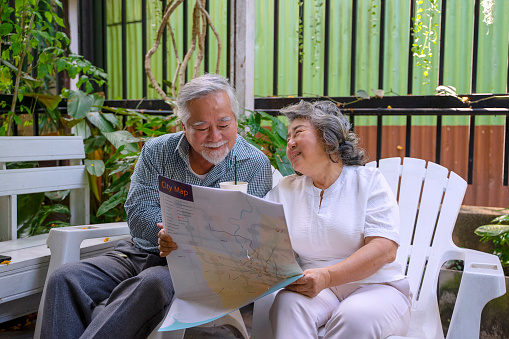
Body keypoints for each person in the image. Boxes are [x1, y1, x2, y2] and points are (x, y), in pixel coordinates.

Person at [39, 74, 273, 339]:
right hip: (140, 254)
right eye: (201, 127)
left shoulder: (253, 164)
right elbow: (138, 212)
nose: (215, 136)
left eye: (224, 124)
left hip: (203, 272)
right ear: (183, 125)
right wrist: (164, 233)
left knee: (152, 283)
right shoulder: (157, 151)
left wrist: (192, 241)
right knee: (66, 278)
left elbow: (248, 238)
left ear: (235, 119)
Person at [264, 100, 411, 338]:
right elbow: (256, 234)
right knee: (287, 305)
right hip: (317, 290)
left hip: (376, 287)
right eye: (288, 136)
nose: (289, 142)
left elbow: (384, 249)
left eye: (298, 132)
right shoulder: (286, 189)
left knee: (354, 317)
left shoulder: (368, 181)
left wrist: (329, 276)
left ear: (328, 138)